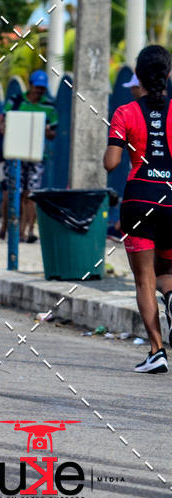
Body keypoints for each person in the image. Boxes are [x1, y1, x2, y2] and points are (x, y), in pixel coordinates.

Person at [104, 45, 172, 375]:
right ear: (168, 75)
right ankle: (171, 297)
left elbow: (111, 162)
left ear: (138, 78)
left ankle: (157, 351)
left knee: (144, 281)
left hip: (139, 200)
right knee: (167, 273)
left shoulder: (125, 112)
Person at [0, 71, 58, 242]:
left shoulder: (49, 107)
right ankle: (6, 225)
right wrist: (4, 127)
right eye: (37, 87)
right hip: (14, 156)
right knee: (11, 193)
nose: (39, 91)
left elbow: (53, 134)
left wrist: (44, 130)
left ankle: (27, 231)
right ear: (30, 85)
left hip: (36, 157)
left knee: (30, 194)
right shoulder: (16, 101)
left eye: (42, 88)